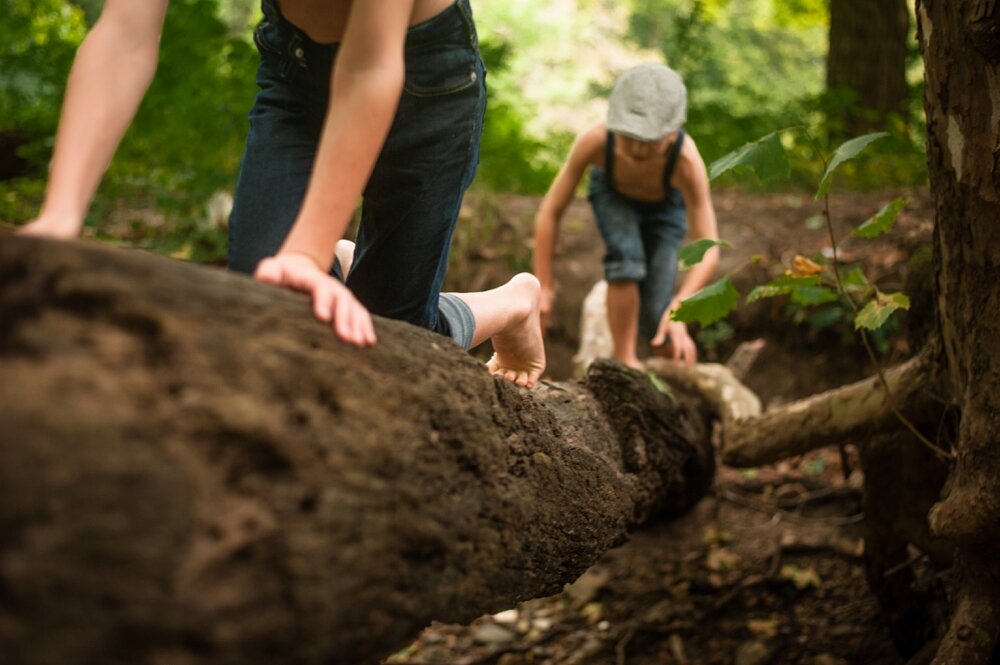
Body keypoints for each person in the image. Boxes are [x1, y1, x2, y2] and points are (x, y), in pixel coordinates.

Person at [17, 0, 545, 388]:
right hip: (298, 71)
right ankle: (335, 257)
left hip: (426, 87)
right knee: (271, 304)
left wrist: (303, 253)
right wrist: (59, 216)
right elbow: (125, 34)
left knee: (390, 343)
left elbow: (368, 68)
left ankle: (514, 303)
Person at [532, 63, 720, 370]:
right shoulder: (595, 141)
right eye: (628, 136)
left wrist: (680, 306)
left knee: (659, 311)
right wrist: (545, 286)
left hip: (666, 210)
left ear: (672, 133)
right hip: (613, 196)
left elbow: (709, 246)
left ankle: (676, 377)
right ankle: (624, 360)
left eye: (650, 141)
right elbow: (550, 212)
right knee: (625, 259)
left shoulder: (686, 162)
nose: (637, 149)